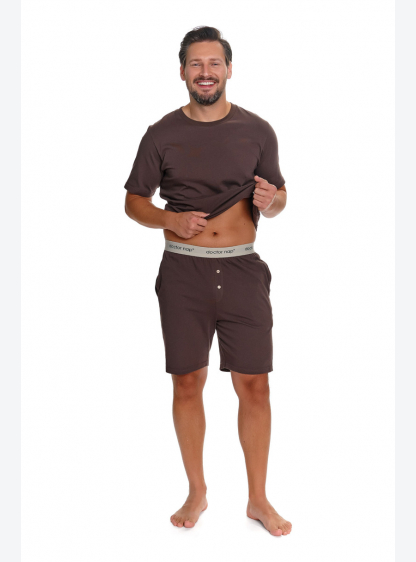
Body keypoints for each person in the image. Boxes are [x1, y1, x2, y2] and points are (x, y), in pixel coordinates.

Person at [123, 26, 292, 537]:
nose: (205, 72)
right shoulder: (160, 133)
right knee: (187, 381)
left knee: (255, 385)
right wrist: (169, 220)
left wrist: (272, 201)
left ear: (229, 69)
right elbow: (133, 202)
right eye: (195, 63)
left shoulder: (258, 130)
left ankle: (258, 499)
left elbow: (279, 197)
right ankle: (196, 491)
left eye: (214, 63)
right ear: (182, 72)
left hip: (242, 270)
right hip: (183, 272)